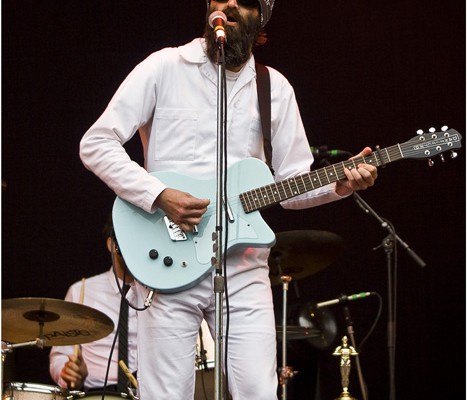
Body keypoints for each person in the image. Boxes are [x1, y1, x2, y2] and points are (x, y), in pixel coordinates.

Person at [79, 1, 378, 399]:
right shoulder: (164, 67)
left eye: (247, 0)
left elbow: (292, 184)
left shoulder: (274, 88)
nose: (231, 3)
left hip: (243, 266)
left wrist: (340, 184)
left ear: (261, 17)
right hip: (167, 260)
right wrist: (158, 195)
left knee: (258, 392)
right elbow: (96, 143)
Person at [49, 219, 138, 395]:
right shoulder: (81, 291)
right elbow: (59, 356)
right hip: (97, 393)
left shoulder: (159, 295)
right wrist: (69, 373)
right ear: (112, 245)